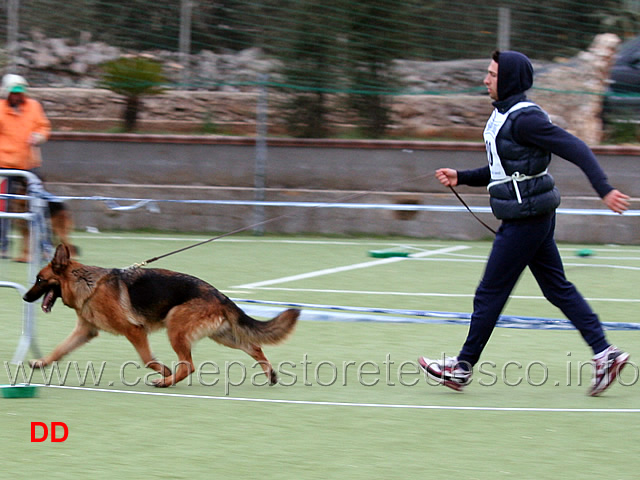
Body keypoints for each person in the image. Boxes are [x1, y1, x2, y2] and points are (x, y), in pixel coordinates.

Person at [418, 50, 631, 396]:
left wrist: (604, 189)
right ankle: (605, 354)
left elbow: (576, 147)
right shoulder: (504, 116)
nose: (485, 80)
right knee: (557, 288)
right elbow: (504, 170)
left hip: (526, 220)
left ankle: (461, 367)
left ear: (510, 80)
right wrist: (462, 176)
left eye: (492, 74)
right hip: (534, 216)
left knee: (490, 292)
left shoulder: (526, 119)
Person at [0, 73, 51, 262]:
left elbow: (44, 127)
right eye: (13, 92)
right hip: (5, 167)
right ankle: (2, 247)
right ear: (7, 93)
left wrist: (39, 136)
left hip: (30, 166)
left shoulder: (34, 107)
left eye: (20, 92)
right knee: (2, 208)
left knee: (41, 206)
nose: (17, 95)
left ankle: (45, 247)